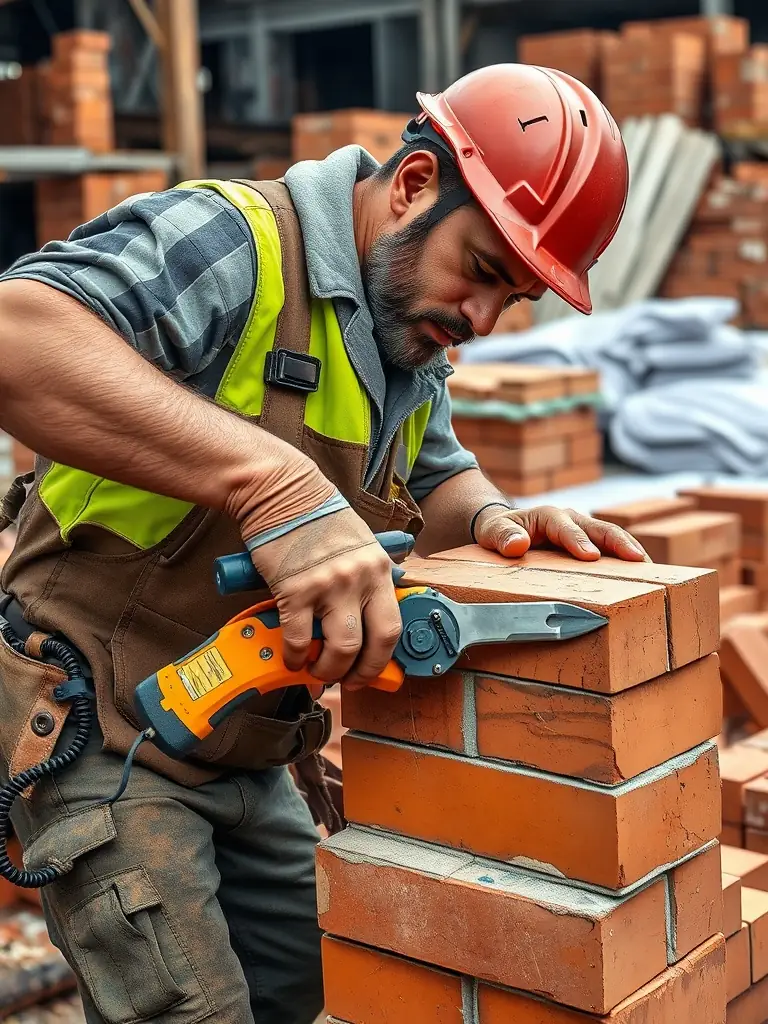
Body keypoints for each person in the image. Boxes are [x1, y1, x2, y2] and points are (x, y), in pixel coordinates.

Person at [0, 64, 645, 1024]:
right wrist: (274, 484)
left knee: (313, 984)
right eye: (481, 270)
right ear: (417, 184)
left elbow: (434, 472)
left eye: (511, 300)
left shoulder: (402, 334)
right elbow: (18, 337)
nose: (480, 319)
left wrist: (500, 518)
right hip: (102, 723)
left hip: (247, 735)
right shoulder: (234, 241)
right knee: (194, 1008)